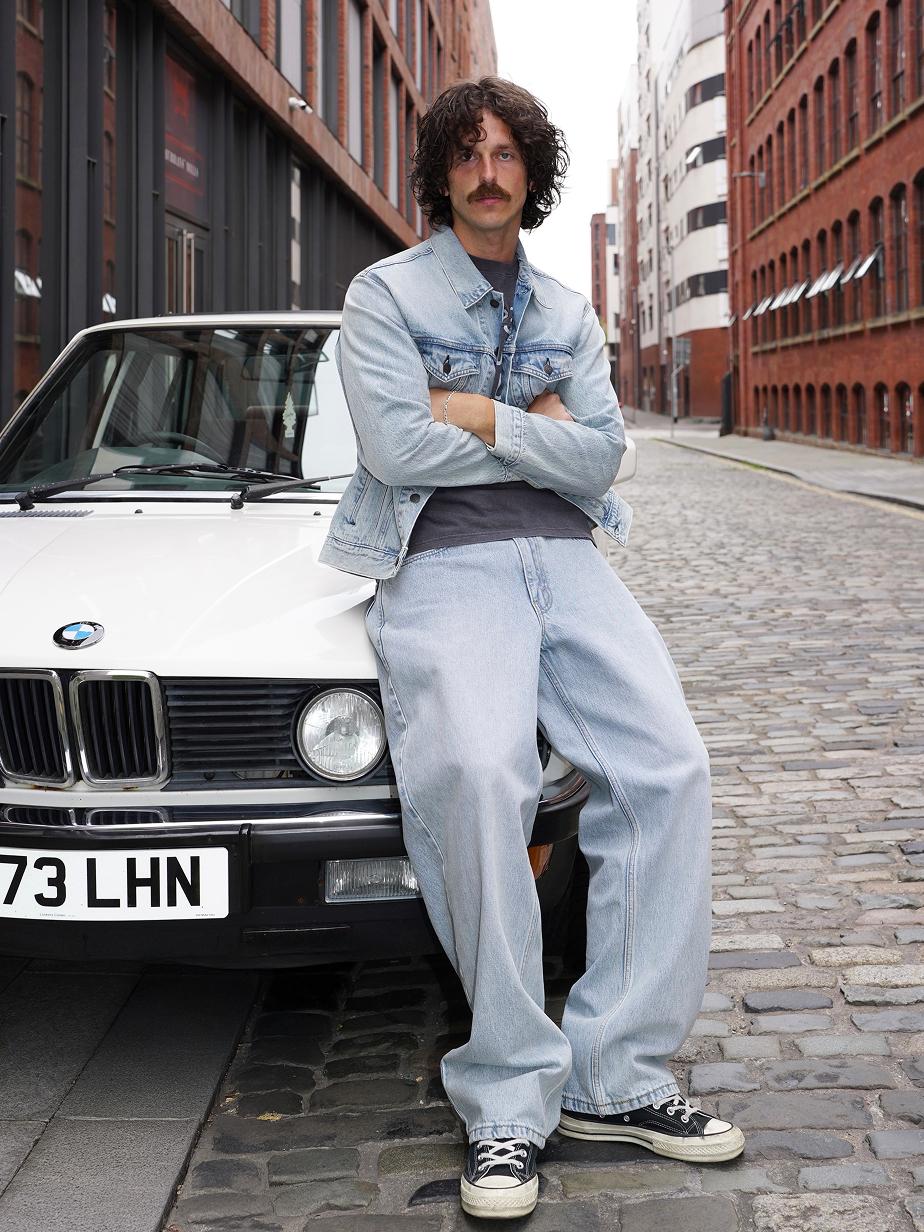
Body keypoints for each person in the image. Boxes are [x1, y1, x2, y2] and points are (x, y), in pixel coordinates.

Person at [318, 76, 744, 1221]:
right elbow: (398, 449)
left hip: (568, 558)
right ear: (441, 172)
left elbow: (604, 457)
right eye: (467, 152)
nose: (487, 170)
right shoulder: (385, 294)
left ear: (532, 170)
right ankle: (507, 1094)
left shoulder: (566, 309)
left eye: (506, 152)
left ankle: (619, 1073)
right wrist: (538, 429)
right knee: (477, 775)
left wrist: (474, 411)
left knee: (670, 766)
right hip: (444, 562)